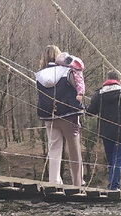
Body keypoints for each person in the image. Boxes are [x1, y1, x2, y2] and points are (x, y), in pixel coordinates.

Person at [35, 45, 85, 186]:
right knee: (74, 149)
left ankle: (54, 182)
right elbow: (78, 87)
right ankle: (77, 182)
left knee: (54, 149)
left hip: (49, 116)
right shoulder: (68, 71)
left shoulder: (39, 75)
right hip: (69, 115)